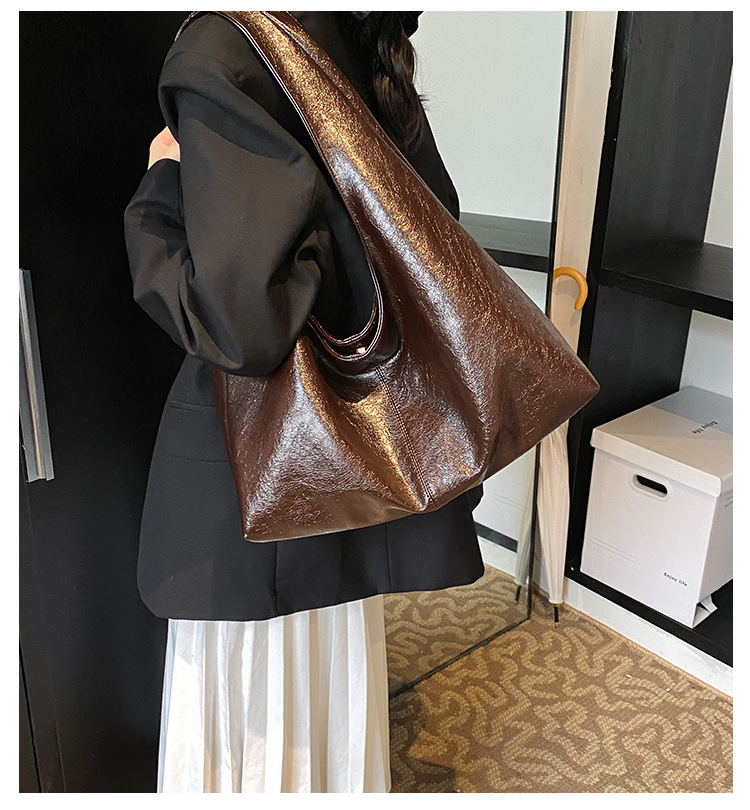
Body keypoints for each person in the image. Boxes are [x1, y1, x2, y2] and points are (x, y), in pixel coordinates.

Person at [123, 10, 484, 793]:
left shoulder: (224, 45)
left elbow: (240, 325)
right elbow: (433, 221)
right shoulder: (348, 34)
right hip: (347, 470)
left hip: (257, 483)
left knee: (253, 735)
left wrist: (156, 192)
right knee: (325, 707)